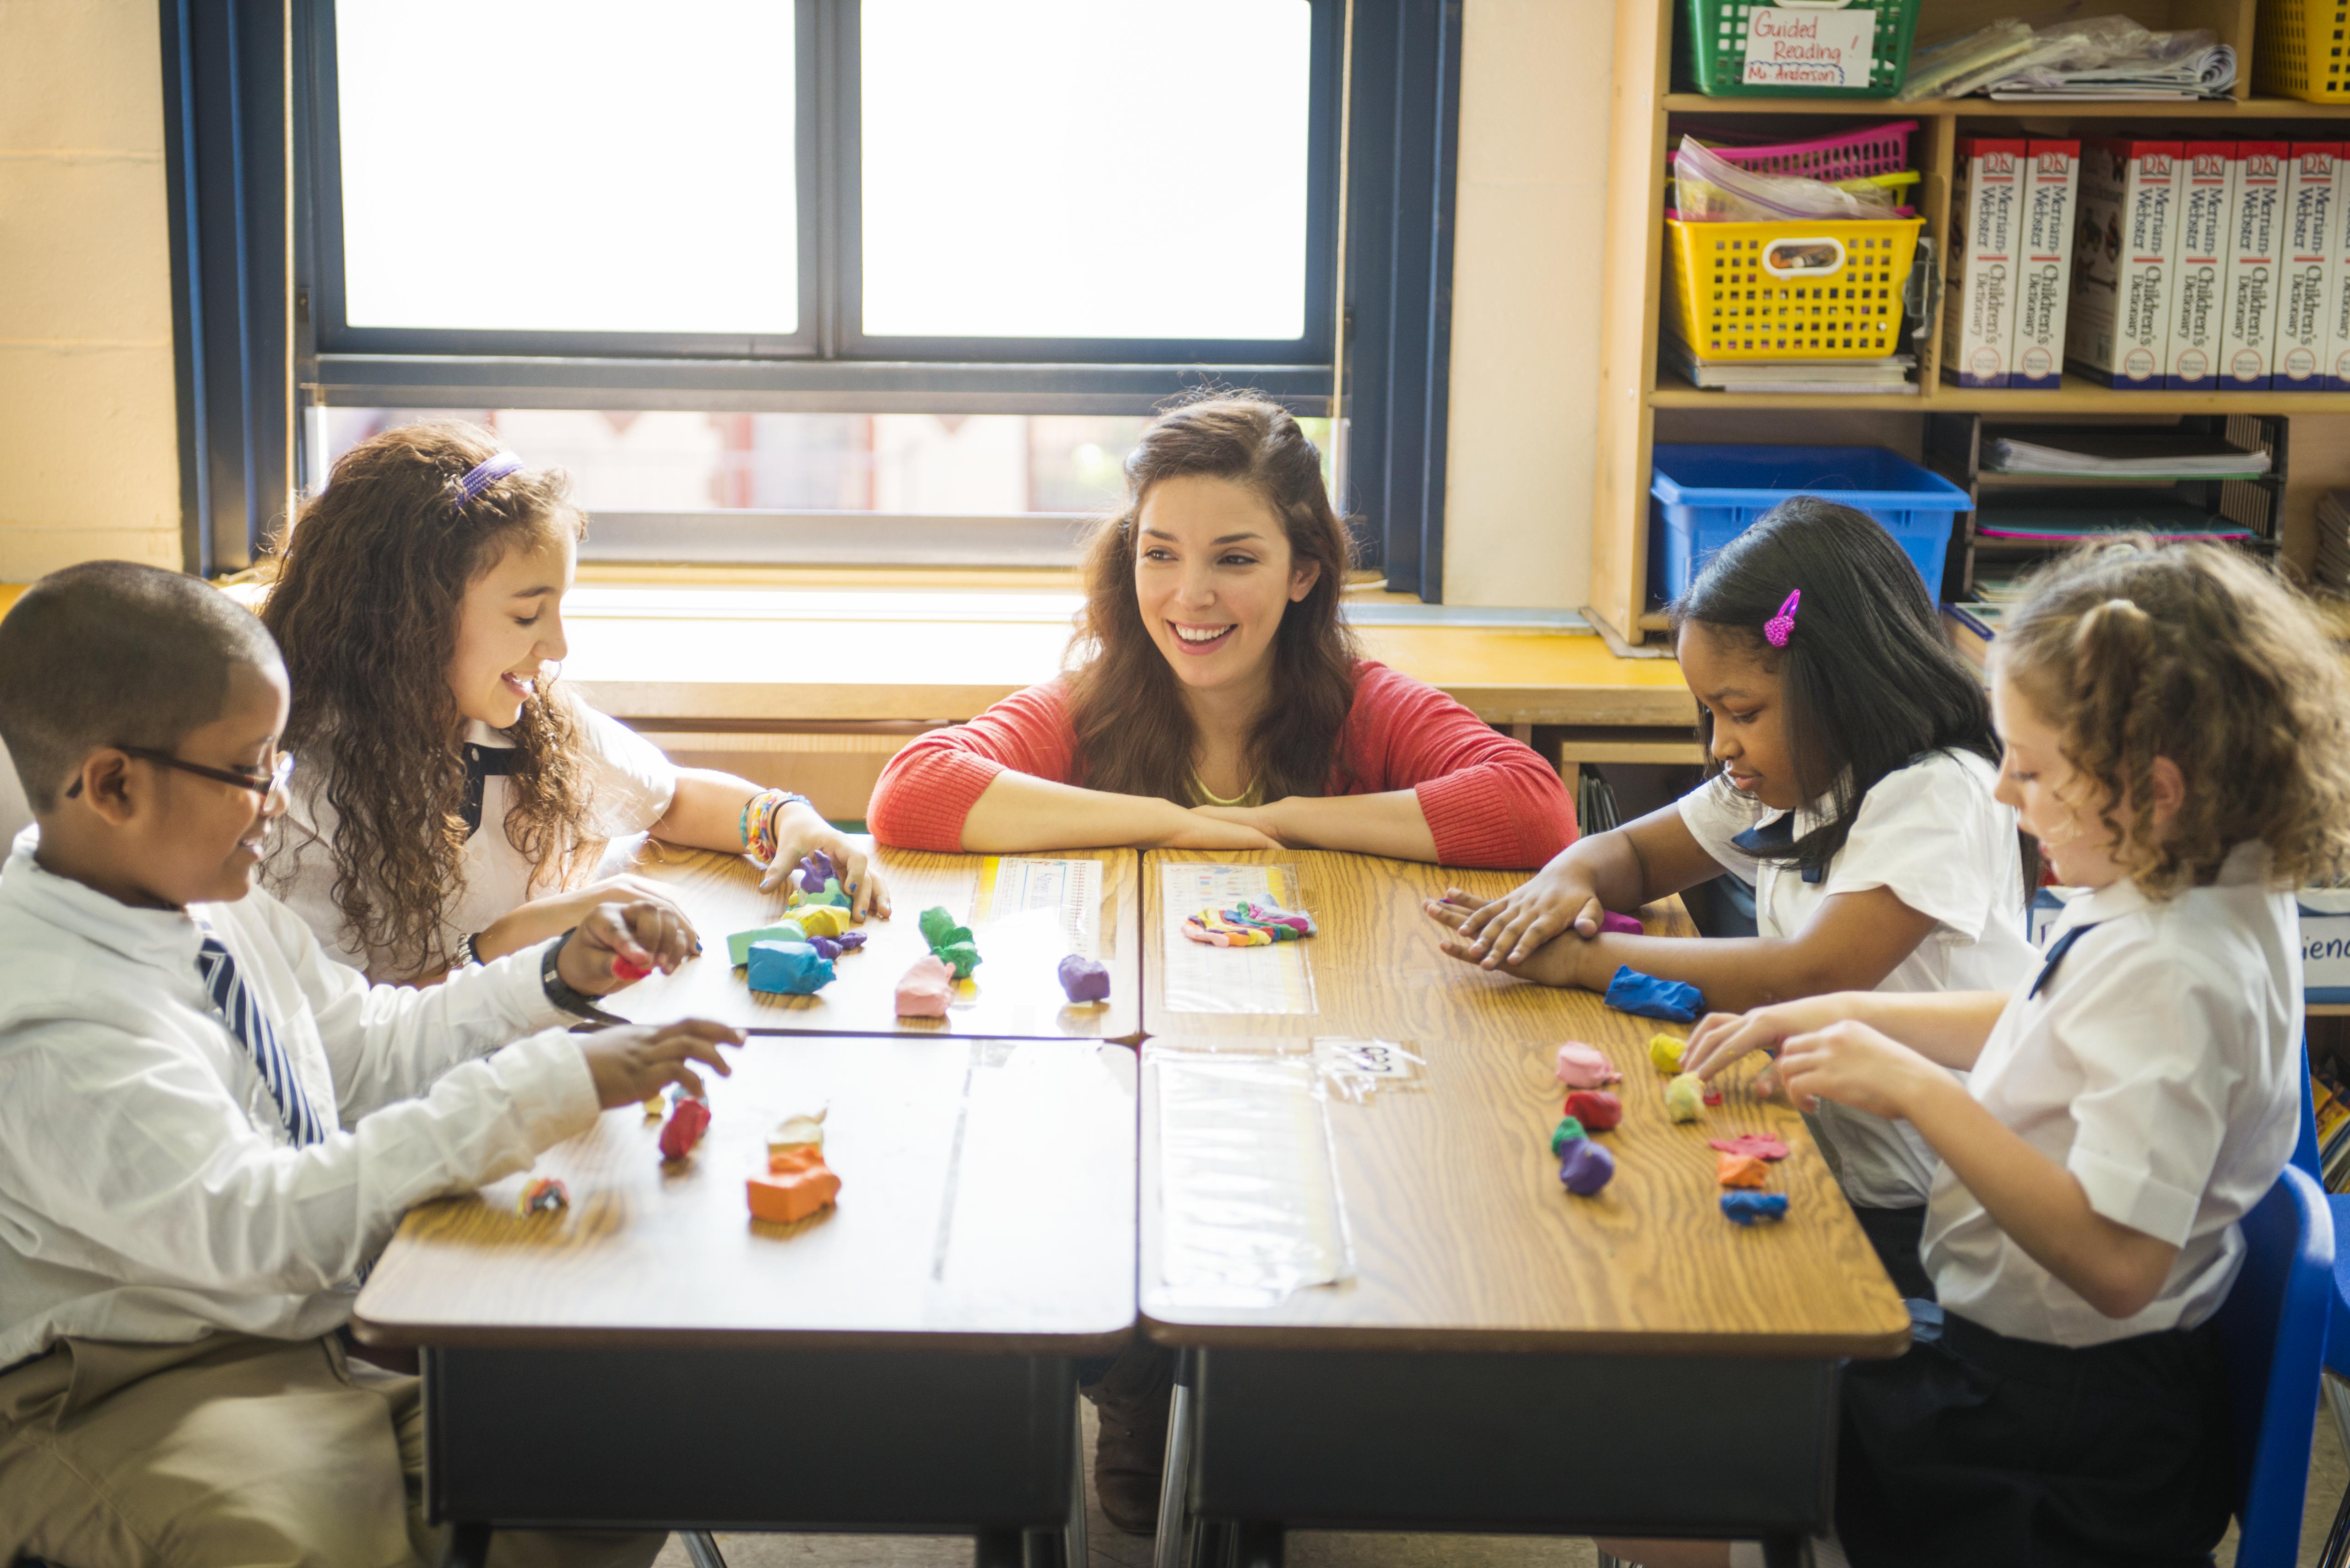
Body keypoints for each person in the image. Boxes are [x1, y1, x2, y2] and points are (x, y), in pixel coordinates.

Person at [1606, 539, 2350, 1568]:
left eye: (2033, 768)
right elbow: (2050, 1015)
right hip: (2020, 1363)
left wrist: (1913, 1090)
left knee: (1652, 1487)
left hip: (2059, 1436)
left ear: (2157, 788)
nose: (2002, 794)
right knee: (1691, 1409)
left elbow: (2119, 1265)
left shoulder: (2179, 968)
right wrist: (1849, 1020)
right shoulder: (2198, 887)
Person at [0, 561, 744, 1567]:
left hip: (302, 1325)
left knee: (618, 1454)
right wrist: (551, 1085)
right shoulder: (52, 1025)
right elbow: (262, 1226)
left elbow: (361, 1052)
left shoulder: (213, 901)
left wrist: (551, 983)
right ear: (113, 785)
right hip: (124, 1382)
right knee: (312, 1548)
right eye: (251, 769)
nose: (278, 801)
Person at [1426, 498, 2037, 1298]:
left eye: (1742, 712)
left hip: (1924, 1211)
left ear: (1839, 684)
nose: (1720, 745)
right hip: (1828, 1157)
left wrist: (1581, 960)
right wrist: (1563, 881)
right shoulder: (1791, 775)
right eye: (1709, 713)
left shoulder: (1936, 792)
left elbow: (1810, 974)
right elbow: (1634, 854)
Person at [260, 421, 888, 984]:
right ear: (408, 618)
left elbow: (673, 800)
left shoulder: (522, 723)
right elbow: (347, 1040)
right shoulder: (302, 797)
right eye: (528, 614)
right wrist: (518, 937)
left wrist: (787, 821)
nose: (557, 646)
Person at [866, 394, 1576, 870]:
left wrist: (1285, 820)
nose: (1191, 595)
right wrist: (1172, 824)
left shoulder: (1366, 705)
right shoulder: (1091, 701)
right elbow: (911, 793)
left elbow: (1535, 810)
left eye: (1234, 559)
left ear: (1302, 572)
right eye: (1160, 554)